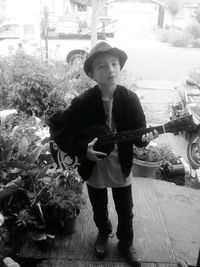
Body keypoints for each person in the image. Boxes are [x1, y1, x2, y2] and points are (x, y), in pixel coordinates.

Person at [49, 41, 159, 266]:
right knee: (99, 207)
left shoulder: (130, 99)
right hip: (94, 165)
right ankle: (102, 232)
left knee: (125, 209)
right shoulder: (83, 102)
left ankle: (125, 242)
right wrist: (82, 150)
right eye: (102, 66)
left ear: (120, 67)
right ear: (91, 73)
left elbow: (138, 135)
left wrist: (145, 139)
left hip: (121, 164)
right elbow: (58, 127)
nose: (109, 69)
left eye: (114, 64)